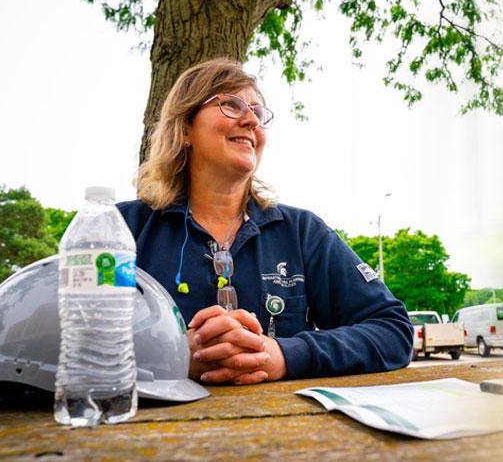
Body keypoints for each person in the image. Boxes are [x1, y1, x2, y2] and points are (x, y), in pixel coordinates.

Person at [119, 58, 413, 386]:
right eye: (231, 104)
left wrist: (284, 355)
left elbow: (393, 329)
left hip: (284, 431)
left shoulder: (302, 232)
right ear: (185, 127)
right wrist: (169, 355)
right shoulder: (122, 229)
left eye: (258, 113)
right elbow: (68, 340)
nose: (251, 121)